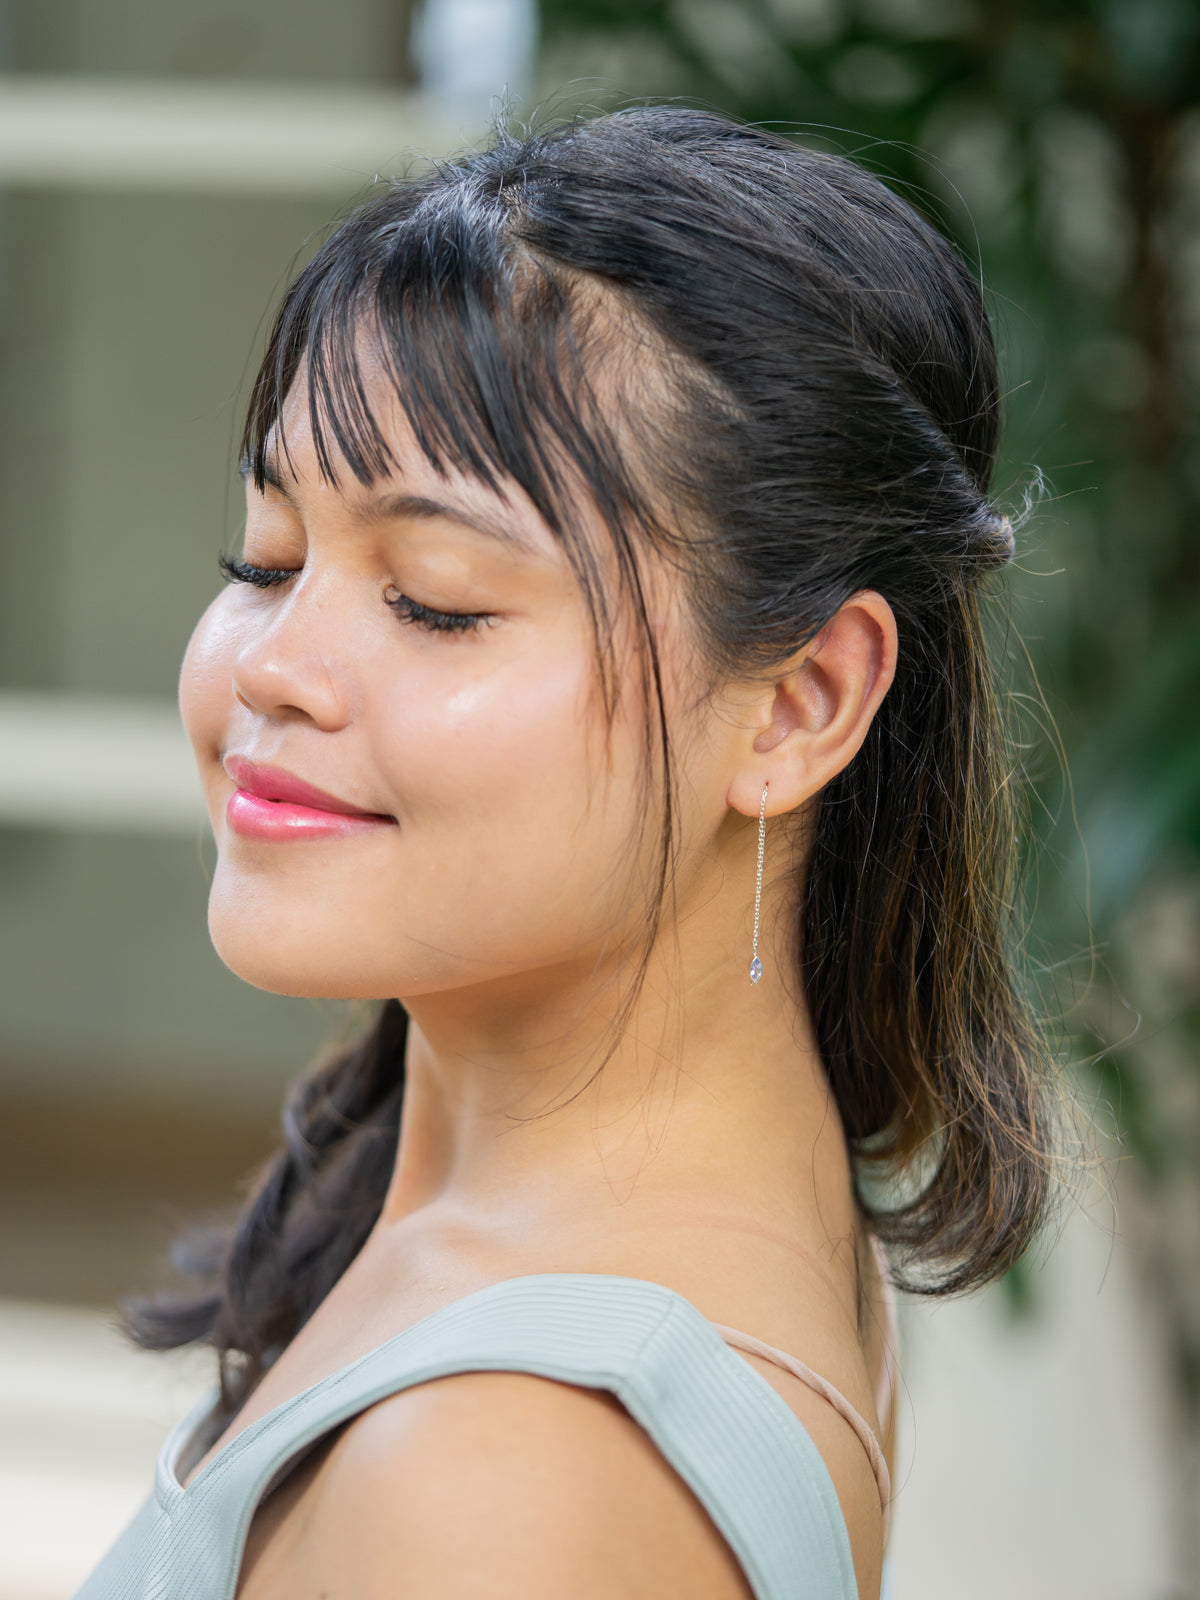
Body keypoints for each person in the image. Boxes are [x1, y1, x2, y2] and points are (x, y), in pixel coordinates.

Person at [77, 104, 1055, 1600]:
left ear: (801, 701)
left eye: (438, 599)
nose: (272, 666)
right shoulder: (658, 1212)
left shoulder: (502, 1476)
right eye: (266, 560)